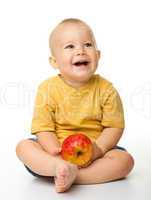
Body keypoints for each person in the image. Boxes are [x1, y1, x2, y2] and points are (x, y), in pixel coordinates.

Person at [16, 18, 134, 193]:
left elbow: (113, 127)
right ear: (54, 62)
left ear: (98, 55)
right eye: (70, 46)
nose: (80, 51)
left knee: (125, 160)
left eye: (87, 44)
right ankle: (58, 167)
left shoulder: (107, 90)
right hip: (56, 151)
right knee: (24, 147)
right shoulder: (47, 89)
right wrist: (54, 151)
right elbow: (43, 128)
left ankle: (73, 175)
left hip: (94, 153)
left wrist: (99, 149)